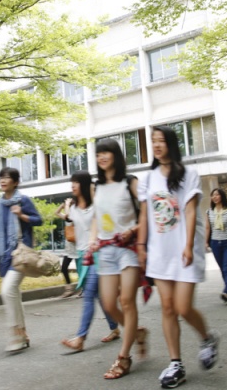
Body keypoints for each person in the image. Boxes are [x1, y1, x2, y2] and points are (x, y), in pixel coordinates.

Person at [137, 126, 219, 389]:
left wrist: (187, 246)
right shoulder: (148, 178)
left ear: (171, 144)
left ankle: (207, 338)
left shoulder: (189, 174)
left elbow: (191, 210)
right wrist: (141, 245)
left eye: (161, 141)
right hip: (159, 252)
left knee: (183, 307)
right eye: (153, 141)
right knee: (169, 308)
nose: (157, 145)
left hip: (184, 250)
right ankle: (176, 363)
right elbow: (143, 215)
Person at [87, 138, 145, 380]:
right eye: (98, 153)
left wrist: (133, 231)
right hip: (106, 249)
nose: (102, 157)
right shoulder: (96, 187)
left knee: (126, 301)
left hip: (128, 248)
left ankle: (124, 357)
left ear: (116, 155)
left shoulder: (130, 182)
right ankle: (137, 332)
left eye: (106, 152)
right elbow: (96, 218)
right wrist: (92, 239)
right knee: (110, 305)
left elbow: (148, 213)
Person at [0, 167, 43, 353]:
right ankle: (22, 335)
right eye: (1, 177)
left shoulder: (23, 200)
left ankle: (16, 335)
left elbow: (38, 220)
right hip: (5, 256)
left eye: (7, 178)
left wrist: (21, 215)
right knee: (13, 293)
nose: (3, 181)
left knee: (7, 291)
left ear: (15, 182)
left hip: (21, 253)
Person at [57, 171, 122, 352]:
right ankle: (116, 328)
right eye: (71, 183)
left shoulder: (96, 206)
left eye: (76, 182)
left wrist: (93, 191)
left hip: (98, 254)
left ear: (85, 185)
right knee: (100, 297)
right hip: (82, 256)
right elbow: (68, 219)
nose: (72, 186)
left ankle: (80, 337)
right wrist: (68, 205)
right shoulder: (76, 209)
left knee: (88, 295)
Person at [56, 199, 79, 298]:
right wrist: (63, 204)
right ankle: (69, 289)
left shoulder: (75, 217)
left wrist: (67, 204)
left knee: (81, 270)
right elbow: (56, 213)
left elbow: (69, 215)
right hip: (69, 249)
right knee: (64, 268)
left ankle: (84, 289)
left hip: (78, 247)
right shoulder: (67, 217)